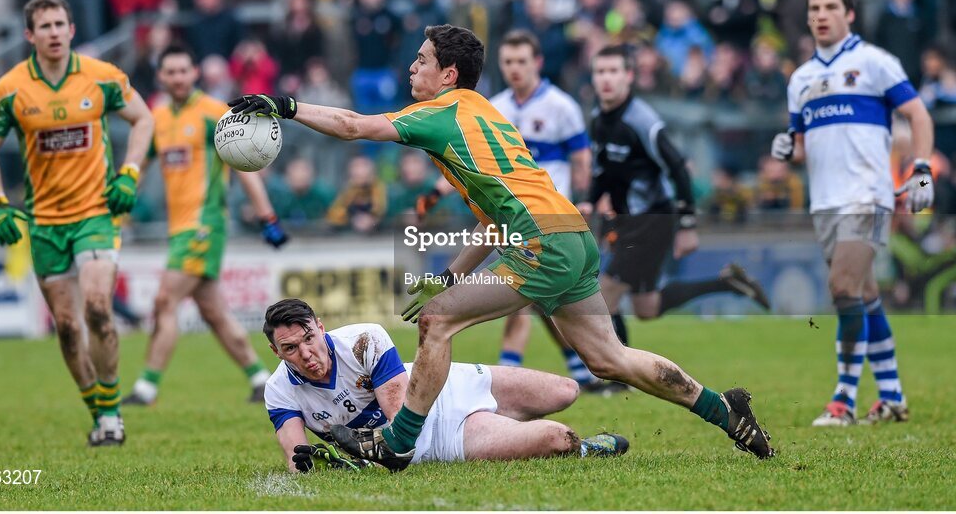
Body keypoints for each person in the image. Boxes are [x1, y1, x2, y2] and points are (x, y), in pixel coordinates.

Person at [228, 24, 775, 471]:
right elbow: (492, 222)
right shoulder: (483, 112)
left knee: (437, 322)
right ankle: (724, 410)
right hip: (572, 238)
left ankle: (397, 444)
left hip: (543, 241)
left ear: (449, 74)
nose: (411, 68)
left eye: (422, 60)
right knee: (611, 359)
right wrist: (446, 277)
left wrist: (284, 104)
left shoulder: (439, 112)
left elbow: (352, 125)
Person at [0, 0, 155, 446]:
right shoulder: (10, 89)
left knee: (97, 308)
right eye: (45, 27)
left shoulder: (102, 77)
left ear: (72, 30)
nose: (54, 33)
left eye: (60, 25)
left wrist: (130, 174)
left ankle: (112, 415)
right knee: (68, 327)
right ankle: (98, 410)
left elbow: (144, 119)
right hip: (45, 222)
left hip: (96, 212)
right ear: (29, 35)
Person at [771, 0, 935, 426]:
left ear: (849, 13)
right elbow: (801, 146)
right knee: (862, 294)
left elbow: (918, 115)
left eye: (829, 7)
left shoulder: (874, 62)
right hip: (825, 202)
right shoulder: (800, 79)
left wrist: (920, 171)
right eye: (814, 9)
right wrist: (788, 149)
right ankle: (893, 395)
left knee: (843, 289)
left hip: (867, 197)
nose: (821, 16)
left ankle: (842, 400)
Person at [420, 30, 612, 393]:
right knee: (537, 301)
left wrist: (587, 198)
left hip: (553, 216)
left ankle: (510, 375)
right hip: (511, 215)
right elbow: (473, 161)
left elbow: (581, 160)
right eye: (507, 62)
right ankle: (585, 368)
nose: (514, 69)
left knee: (529, 299)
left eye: (522, 61)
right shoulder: (494, 105)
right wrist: (436, 191)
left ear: (537, 63)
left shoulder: (561, 106)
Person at [262, 298, 629, 472]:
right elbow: (300, 462)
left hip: (445, 386)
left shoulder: (363, 339)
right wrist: (325, 467)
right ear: (275, 352)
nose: (306, 353)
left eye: (309, 337)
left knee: (567, 390)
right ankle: (583, 450)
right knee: (557, 438)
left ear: (320, 327)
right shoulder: (280, 391)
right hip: (440, 435)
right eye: (290, 348)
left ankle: (510, 426)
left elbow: (398, 421)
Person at [124, 45, 289, 407]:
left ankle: (146, 388)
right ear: (161, 77)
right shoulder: (158, 118)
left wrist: (267, 216)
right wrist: (118, 208)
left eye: (184, 70)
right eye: (171, 72)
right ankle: (260, 379)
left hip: (204, 225)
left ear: (195, 73)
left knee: (165, 299)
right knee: (213, 311)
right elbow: (140, 165)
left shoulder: (215, 114)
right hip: (178, 228)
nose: (178, 77)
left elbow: (246, 166)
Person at [581, 44, 769, 344]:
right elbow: (603, 170)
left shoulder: (643, 121)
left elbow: (680, 170)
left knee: (605, 297)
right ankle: (727, 283)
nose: (606, 78)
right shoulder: (598, 119)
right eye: (600, 71)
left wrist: (687, 226)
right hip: (628, 221)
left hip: (651, 219)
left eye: (614, 71)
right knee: (647, 307)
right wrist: (590, 199)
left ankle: (618, 378)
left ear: (629, 76)